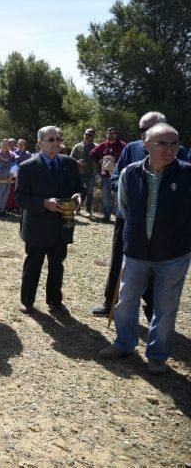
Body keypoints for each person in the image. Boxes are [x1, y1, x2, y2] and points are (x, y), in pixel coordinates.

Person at [99, 123, 190, 375]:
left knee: (166, 307)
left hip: (173, 255)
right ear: (146, 145)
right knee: (126, 301)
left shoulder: (187, 174)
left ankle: (158, 355)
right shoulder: (130, 173)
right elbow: (125, 209)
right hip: (137, 251)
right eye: (163, 143)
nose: (170, 149)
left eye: (175, 143)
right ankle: (124, 343)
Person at [91, 111, 188, 318]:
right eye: (140, 130)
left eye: (146, 130)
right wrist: (132, 192)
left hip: (163, 223)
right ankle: (111, 303)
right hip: (129, 218)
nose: (142, 134)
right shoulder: (131, 148)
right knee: (120, 261)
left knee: (158, 265)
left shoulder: (176, 152)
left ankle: (152, 308)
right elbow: (117, 179)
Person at [15, 126, 83, 315]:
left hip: (63, 224)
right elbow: (20, 197)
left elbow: (80, 188)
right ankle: (27, 301)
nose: (56, 143)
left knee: (57, 265)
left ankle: (55, 300)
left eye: (58, 139)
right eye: (51, 140)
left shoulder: (69, 163)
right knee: (33, 264)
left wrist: (79, 197)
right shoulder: (27, 167)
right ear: (40, 143)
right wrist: (43, 203)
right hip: (38, 226)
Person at [90, 127, 126, 222]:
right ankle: (106, 216)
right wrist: (100, 160)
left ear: (116, 134)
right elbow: (92, 153)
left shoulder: (122, 145)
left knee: (117, 196)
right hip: (105, 176)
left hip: (118, 176)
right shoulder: (103, 145)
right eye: (109, 133)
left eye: (113, 133)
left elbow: (127, 157)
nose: (111, 135)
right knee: (105, 196)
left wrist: (115, 162)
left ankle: (117, 216)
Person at [70, 129, 98, 215]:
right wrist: (78, 162)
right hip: (79, 173)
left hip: (91, 174)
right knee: (78, 192)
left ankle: (88, 210)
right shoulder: (77, 146)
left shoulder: (96, 147)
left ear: (92, 137)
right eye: (86, 134)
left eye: (89, 135)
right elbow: (70, 158)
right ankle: (77, 209)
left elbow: (100, 158)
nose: (87, 136)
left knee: (89, 193)